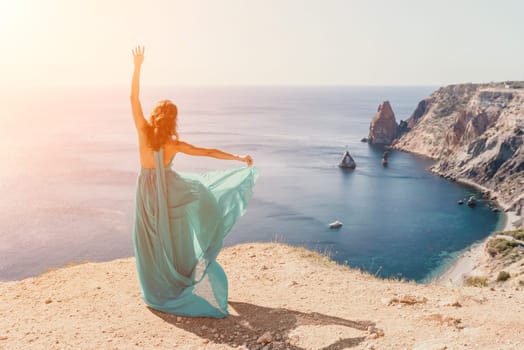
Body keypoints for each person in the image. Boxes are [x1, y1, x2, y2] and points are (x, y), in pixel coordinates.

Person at [130, 46, 259, 318]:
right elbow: (208, 152)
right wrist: (237, 157)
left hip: (146, 192)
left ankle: (156, 290)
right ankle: (181, 279)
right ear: (173, 121)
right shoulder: (173, 144)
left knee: (150, 241)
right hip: (169, 192)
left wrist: (138, 66)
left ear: (155, 117)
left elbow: (133, 98)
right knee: (175, 235)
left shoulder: (143, 132)